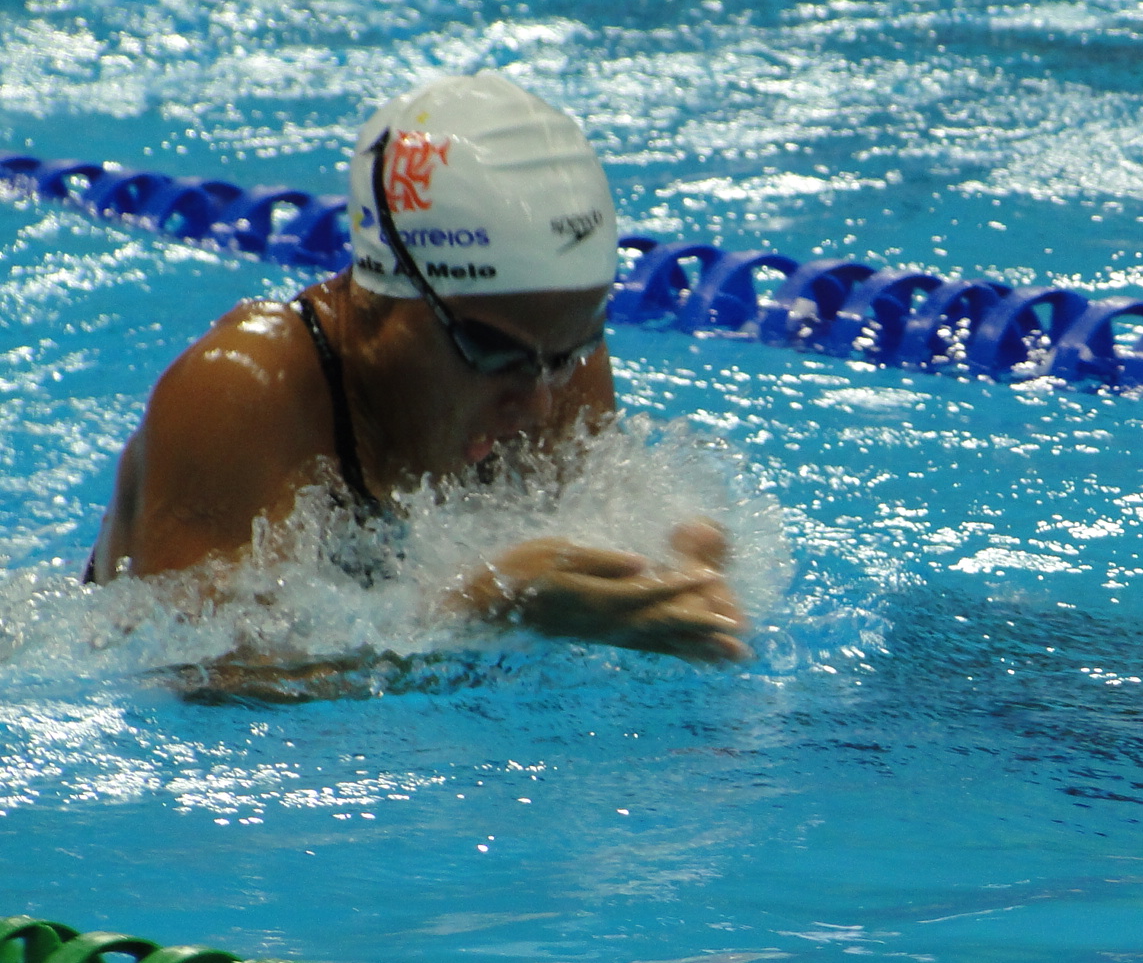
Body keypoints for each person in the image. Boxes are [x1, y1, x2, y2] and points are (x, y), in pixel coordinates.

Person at [87, 71, 747, 662]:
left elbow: (603, 542)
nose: (540, 402)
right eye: (495, 354)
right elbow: (207, 675)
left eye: (568, 353)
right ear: (382, 303)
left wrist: (678, 569)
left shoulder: (551, 365)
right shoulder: (240, 391)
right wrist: (477, 612)